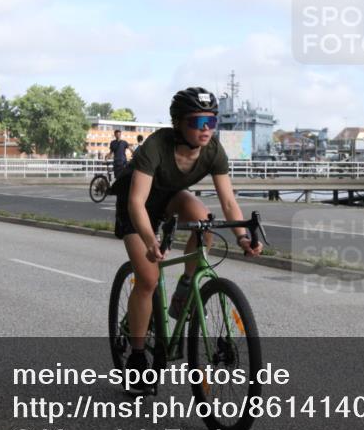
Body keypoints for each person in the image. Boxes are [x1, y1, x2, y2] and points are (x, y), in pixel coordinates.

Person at [111, 87, 262, 393]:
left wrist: (243, 237)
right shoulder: (157, 145)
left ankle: (184, 292)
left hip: (169, 197)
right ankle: (137, 357)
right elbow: (137, 202)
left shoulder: (213, 149)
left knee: (204, 220)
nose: (206, 129)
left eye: (211, 121)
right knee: (148, 279)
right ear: (178, 123)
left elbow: (228, 202)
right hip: (136, 206)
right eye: (197, 122)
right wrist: (150, 240)